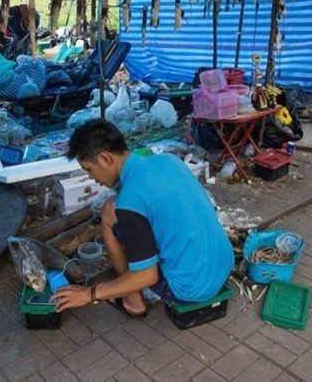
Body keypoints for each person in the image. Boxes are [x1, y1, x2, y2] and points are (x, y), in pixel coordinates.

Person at [52, 119, 234, 316]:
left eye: (89, 169)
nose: (92, 178)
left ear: (106, 159)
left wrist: (90, 294)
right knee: (117, 209)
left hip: (190, 289)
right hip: (223, 265)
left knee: (108, 213)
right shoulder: (168, 160)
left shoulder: (129, 201)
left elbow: (146, 276)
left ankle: (134, 300)